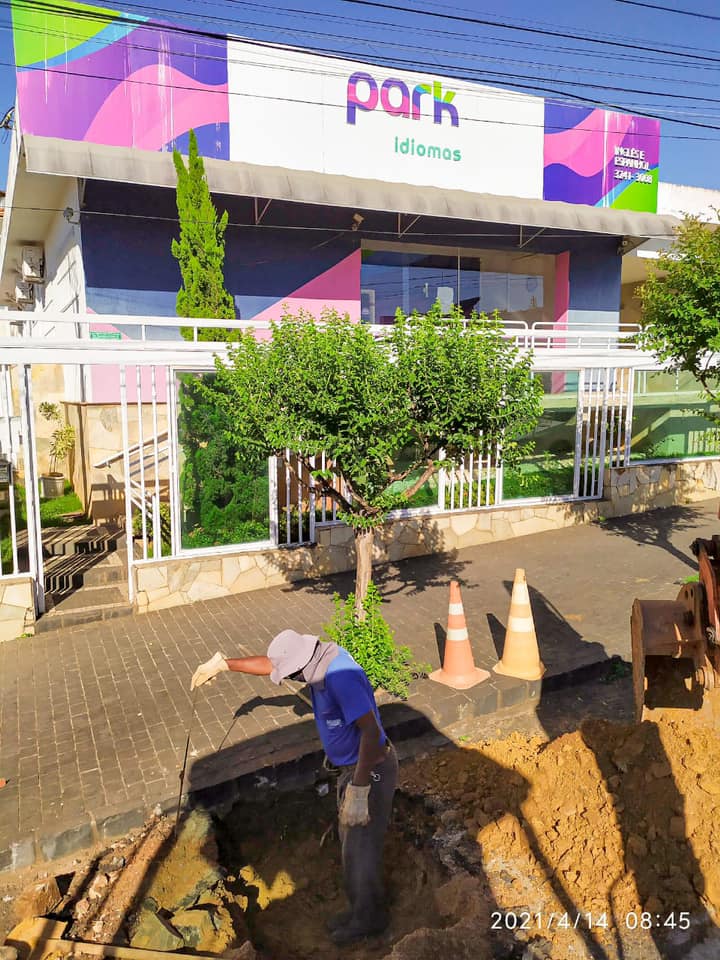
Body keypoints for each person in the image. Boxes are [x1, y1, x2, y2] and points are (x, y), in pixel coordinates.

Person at [191, 629, 398, 946]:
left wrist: (359, 789)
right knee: (350, 844)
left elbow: (371, 733)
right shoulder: (314, 658)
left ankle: (370, 920)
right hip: (352, 770)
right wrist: (223, 664)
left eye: (289, 674)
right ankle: (360, 910)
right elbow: (270, 663)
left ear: (301, 666)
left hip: (371, 771)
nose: (288, 678)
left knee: (360, 848)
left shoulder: (339, 677)